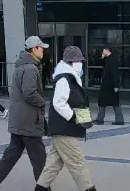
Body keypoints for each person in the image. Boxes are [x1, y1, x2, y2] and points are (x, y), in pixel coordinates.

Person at [0, 37, 48, 191]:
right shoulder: (30, 68)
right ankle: (44, 187)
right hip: (28, 120)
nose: (43, 50)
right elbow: (29, 93)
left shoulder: (21, 66)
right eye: (41, 47)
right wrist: (42, 102)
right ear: (34, 49)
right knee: (39, 158)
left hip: (19, 119)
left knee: (13, 153)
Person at [35, 46, 96, 191]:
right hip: (64, 128)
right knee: (78, 163)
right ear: (71, 63)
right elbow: (59, 103)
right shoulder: (64, 79)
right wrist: (74, 117)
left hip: (62, 128)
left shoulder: (70, 78)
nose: (81, 64)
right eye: (79, 61)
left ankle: (40, 188)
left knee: (53, 165)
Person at [94, 47, 123, 126]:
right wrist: (102, 57)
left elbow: (115, 73)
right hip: (106, 84)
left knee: (114, 102)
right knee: (104, 101)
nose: (102, 51)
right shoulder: (107, 59)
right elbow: (99, 64)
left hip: (111, 85)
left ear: (107, 50)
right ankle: (100, 119)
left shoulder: (112, 60)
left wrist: (116, 85)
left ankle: (118, 119)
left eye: (104, 50)